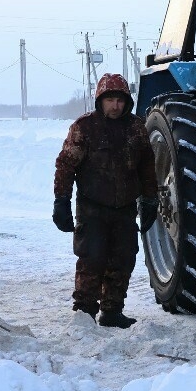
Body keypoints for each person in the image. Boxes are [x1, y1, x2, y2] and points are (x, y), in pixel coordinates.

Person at [52, 73, 158, 328]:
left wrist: (150, 201)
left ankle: (112, 311)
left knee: (123, 259)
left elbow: (147, 168)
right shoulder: (84, 127)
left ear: (127, 102)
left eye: (119, 100)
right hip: (92, 207)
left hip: (125, 208)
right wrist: (61, 201)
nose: (115, 105)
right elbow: (66, 165)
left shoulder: (136, 129)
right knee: (92, 258)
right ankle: (84, 312)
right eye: (109, 99)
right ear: (100, 100)